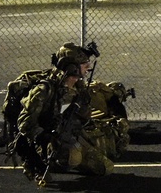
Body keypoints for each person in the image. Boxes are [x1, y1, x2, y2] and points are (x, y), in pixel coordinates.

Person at [10, 42, 114, 184]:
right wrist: (44, 136)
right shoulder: (44, 91)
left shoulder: (78, 87)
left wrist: (83, 107)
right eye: (84, 64)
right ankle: (40, 162)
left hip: (69, 135)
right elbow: (24, 123)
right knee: (73, 157)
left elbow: (84, 116)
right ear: (72, 68)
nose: (88, 67)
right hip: (44, 141)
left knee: (105, 168)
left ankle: (63, 158)